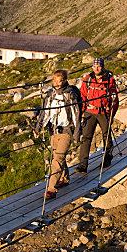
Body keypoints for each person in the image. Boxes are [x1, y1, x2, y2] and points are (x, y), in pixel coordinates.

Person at [34, 70, 81, 199]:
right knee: (57, 156)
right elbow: (45, 113)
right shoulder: (50, 95)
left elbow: (77, 115)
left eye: (59, 80)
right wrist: (38, 128)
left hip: (67, 131)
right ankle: (64, 179)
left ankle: (51, 189)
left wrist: (77, 135)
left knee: (57, 160)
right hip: (53, 131)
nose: (56, 83)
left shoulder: (70, 95)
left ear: (65, 81)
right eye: (54, 80)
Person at [74, 57, 119, 174]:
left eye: (98, 66)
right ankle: (83, 165)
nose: (96, 68)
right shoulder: (87, 79)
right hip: (90, 111)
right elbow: (83, 96)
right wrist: (82, 112)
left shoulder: (109, 80)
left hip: (104, 112)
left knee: (106, 135)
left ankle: (107, 158)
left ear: (102, 67)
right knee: (86, 138)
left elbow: (114, 99)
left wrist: (111, 114)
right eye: (94, 66)